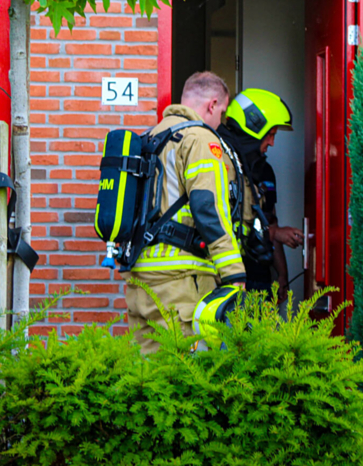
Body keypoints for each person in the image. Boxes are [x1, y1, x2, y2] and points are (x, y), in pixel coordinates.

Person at [125, 71, 246, 354]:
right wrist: (233, 273)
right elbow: (209, 208)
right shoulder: (200, 139)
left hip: (139, 281)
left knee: (147, 372)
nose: (220, 121)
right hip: (181, 282)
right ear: (212, 105)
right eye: (222, 112)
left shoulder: (151, 138)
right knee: (186, 373)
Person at [219, 88, 304, 302]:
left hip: (261, 279)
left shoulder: (264, 171)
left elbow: (270, 222)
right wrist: (276, 233)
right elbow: (223, 226)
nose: (272, 143)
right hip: (228, 280)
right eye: (270, 134)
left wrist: (282, 275)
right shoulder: (220, 165)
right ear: (253, 126)